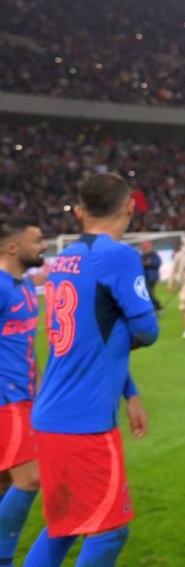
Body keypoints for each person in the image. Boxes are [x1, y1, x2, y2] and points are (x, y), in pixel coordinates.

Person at [25, 174, 157, 567]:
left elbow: (90, 338)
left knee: (64, 527)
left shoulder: (66, 257)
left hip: (52, 413)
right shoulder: (118, 255)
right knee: (109, 532)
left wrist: (130, 392)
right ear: (129, 206)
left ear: (81, 211)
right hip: (83, 422)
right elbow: (147, 330)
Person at [0, 218, 46, 565]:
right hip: (6, 399)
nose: (42, 247)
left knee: (5, 483)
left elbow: (27, 345)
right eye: (37, 241)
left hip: (26, 396)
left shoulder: (27, 286)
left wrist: (41, 389)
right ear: (12, 248)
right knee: (30, 478)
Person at [139, 241, 163, 314]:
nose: (145, 249)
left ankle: (158, 307)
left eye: (147, 247)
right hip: (144, 277)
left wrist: (148, 264)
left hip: (152, 277)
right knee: (148, 293)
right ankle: (154, 307)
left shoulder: (154, 255)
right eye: (144, 247)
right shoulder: (142, 256)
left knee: (148, 293)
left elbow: (157, 263)